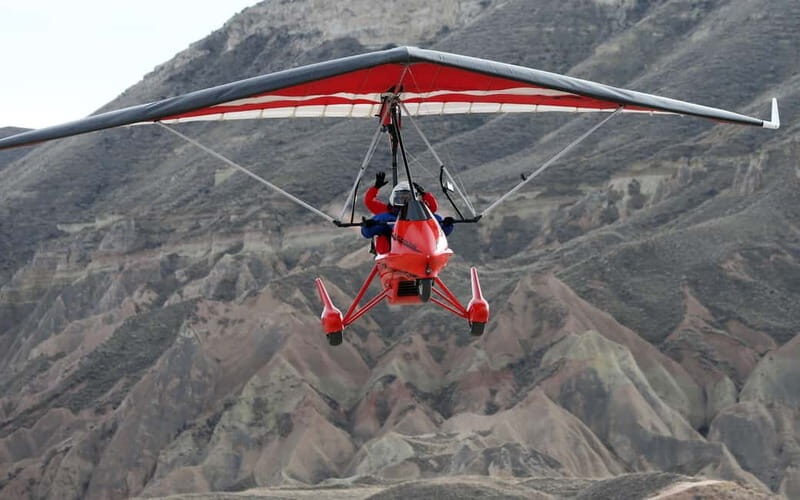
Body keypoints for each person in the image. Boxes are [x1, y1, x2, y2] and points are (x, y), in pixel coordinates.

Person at [361, 173, 454, 254]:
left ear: (414, 199)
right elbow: (369, 202)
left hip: (419, 248)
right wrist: (368, 225)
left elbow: (433, 209)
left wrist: (447, 223)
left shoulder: (419, 214)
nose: (404, 201)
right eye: (400, 198)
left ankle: (429, 252)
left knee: (435, 219)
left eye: (407, 198)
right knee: (381, 219)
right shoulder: (387, 213)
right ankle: (386, 253)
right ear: (393, 199)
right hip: (392, 250)